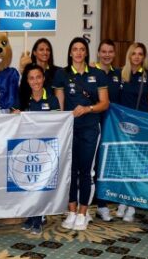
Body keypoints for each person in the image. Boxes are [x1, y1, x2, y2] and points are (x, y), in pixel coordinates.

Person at [53, 37, 109, 231]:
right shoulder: (62, 74)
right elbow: (60, 105)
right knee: (70, 171)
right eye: (75, 49)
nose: (78, 52)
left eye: (82, 49)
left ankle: (83, 213)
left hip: (90, 128)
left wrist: (87, 109)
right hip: (69, 130)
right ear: (70, 52)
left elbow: (105, 103)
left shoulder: (97, 74)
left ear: (86, 53)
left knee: (86, 172)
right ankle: (71, 211)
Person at [13, 64, 61, 235]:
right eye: (31, 78)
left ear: (44, 78)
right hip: (26, 148)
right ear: (27, 81)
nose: (35, 81)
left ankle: (38, 217)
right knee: (29, 182)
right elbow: (14, 123)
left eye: (38, 77)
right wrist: (15, 116)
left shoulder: (52, 100)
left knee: (41, 183)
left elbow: (58, 123)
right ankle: (31, 215)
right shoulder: (22, 100)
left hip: (45, 148)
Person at [115, 42, 148, 222]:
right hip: (121, 128)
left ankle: (132, 205)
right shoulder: (120, 74)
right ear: (129, 55)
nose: (137, 57)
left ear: (144, 57)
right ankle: (123, 200)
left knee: (137, 167)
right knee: (124, 166)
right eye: (134, 53)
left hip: (141, 129)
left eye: (140, 54)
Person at [93, 39, 121, 222]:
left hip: (114, 127)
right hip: (94, 124)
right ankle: (99, 205)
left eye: (110, 51)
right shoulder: (91, 72)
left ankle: (105, 203)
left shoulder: (119, 74)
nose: (107, 55)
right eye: (104, 51)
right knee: (95, 165)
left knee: (109, 165)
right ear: (98, 53)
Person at [18, 38, 59, 111]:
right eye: (41, 49)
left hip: (51, 109)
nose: (45, 52)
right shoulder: (28, 70)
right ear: (34, 52)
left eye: (48, 50)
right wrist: (23, 71)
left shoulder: (58, 72)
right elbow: (23, 90)